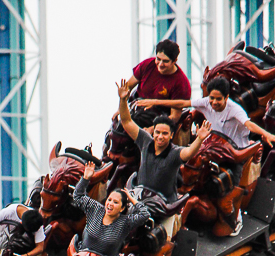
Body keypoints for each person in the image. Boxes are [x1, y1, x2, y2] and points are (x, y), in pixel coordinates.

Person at [134, 75, 275, 233]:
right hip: (212, 145)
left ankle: (235, 218)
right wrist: (154, 102)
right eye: (211, 98)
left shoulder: (235, 109)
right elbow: (182, 103)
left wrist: (266, 134)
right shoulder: (207, 102)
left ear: (226, 97)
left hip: (233, 153)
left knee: (226, 189)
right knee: (188, 164)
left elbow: (248, 124)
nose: (214, 103)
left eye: (218, 99)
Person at [117, 79, 211, 211]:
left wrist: (200, 138)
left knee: (157, 231)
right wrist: (122, 100)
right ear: (153, 132)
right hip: (139, 197)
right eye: (158, 132)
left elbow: (189, 152)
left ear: (171, 135)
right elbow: (126, 121)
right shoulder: (145, 140)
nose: (160, 136)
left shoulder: (175, 152)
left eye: (165, 133)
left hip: (163, 204)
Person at [72, 175, 150, 256]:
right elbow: (78, 196)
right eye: (109, 200)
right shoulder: (95, 208)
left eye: (115, 202)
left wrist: (131, 198)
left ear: (122, 208)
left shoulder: (125, 222)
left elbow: (144, 214)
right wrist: (85, 178)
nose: (110, 204)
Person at [125, 39, 191, 125]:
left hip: (159, 120)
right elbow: (127, 88)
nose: (160, 64)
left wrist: (153, 129)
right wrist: (121, 110)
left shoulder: (181, 83)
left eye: (165, 61)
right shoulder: (147, 64)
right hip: (136, 110)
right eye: (158, 59)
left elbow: (174, 117)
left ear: (174, 61)